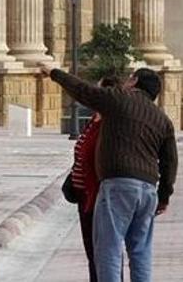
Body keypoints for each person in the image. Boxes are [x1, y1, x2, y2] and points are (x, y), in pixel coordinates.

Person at [41, 64, 178, 282]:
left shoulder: (118, 100)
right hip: (148, 191)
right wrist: (164, 197)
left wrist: (53, 73)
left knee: (108, 249)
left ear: (133, 82)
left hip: (118, 186)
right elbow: (170, 161)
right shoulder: (162, 119)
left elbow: (83, 90)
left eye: (129, 79)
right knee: (140, 251)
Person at [68, 76, 119, 282]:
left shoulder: (108, 123)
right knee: (93, 251)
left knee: (105, 251)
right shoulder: (94, 119)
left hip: (97, 193)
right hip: (84, 194)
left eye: (98, 91)